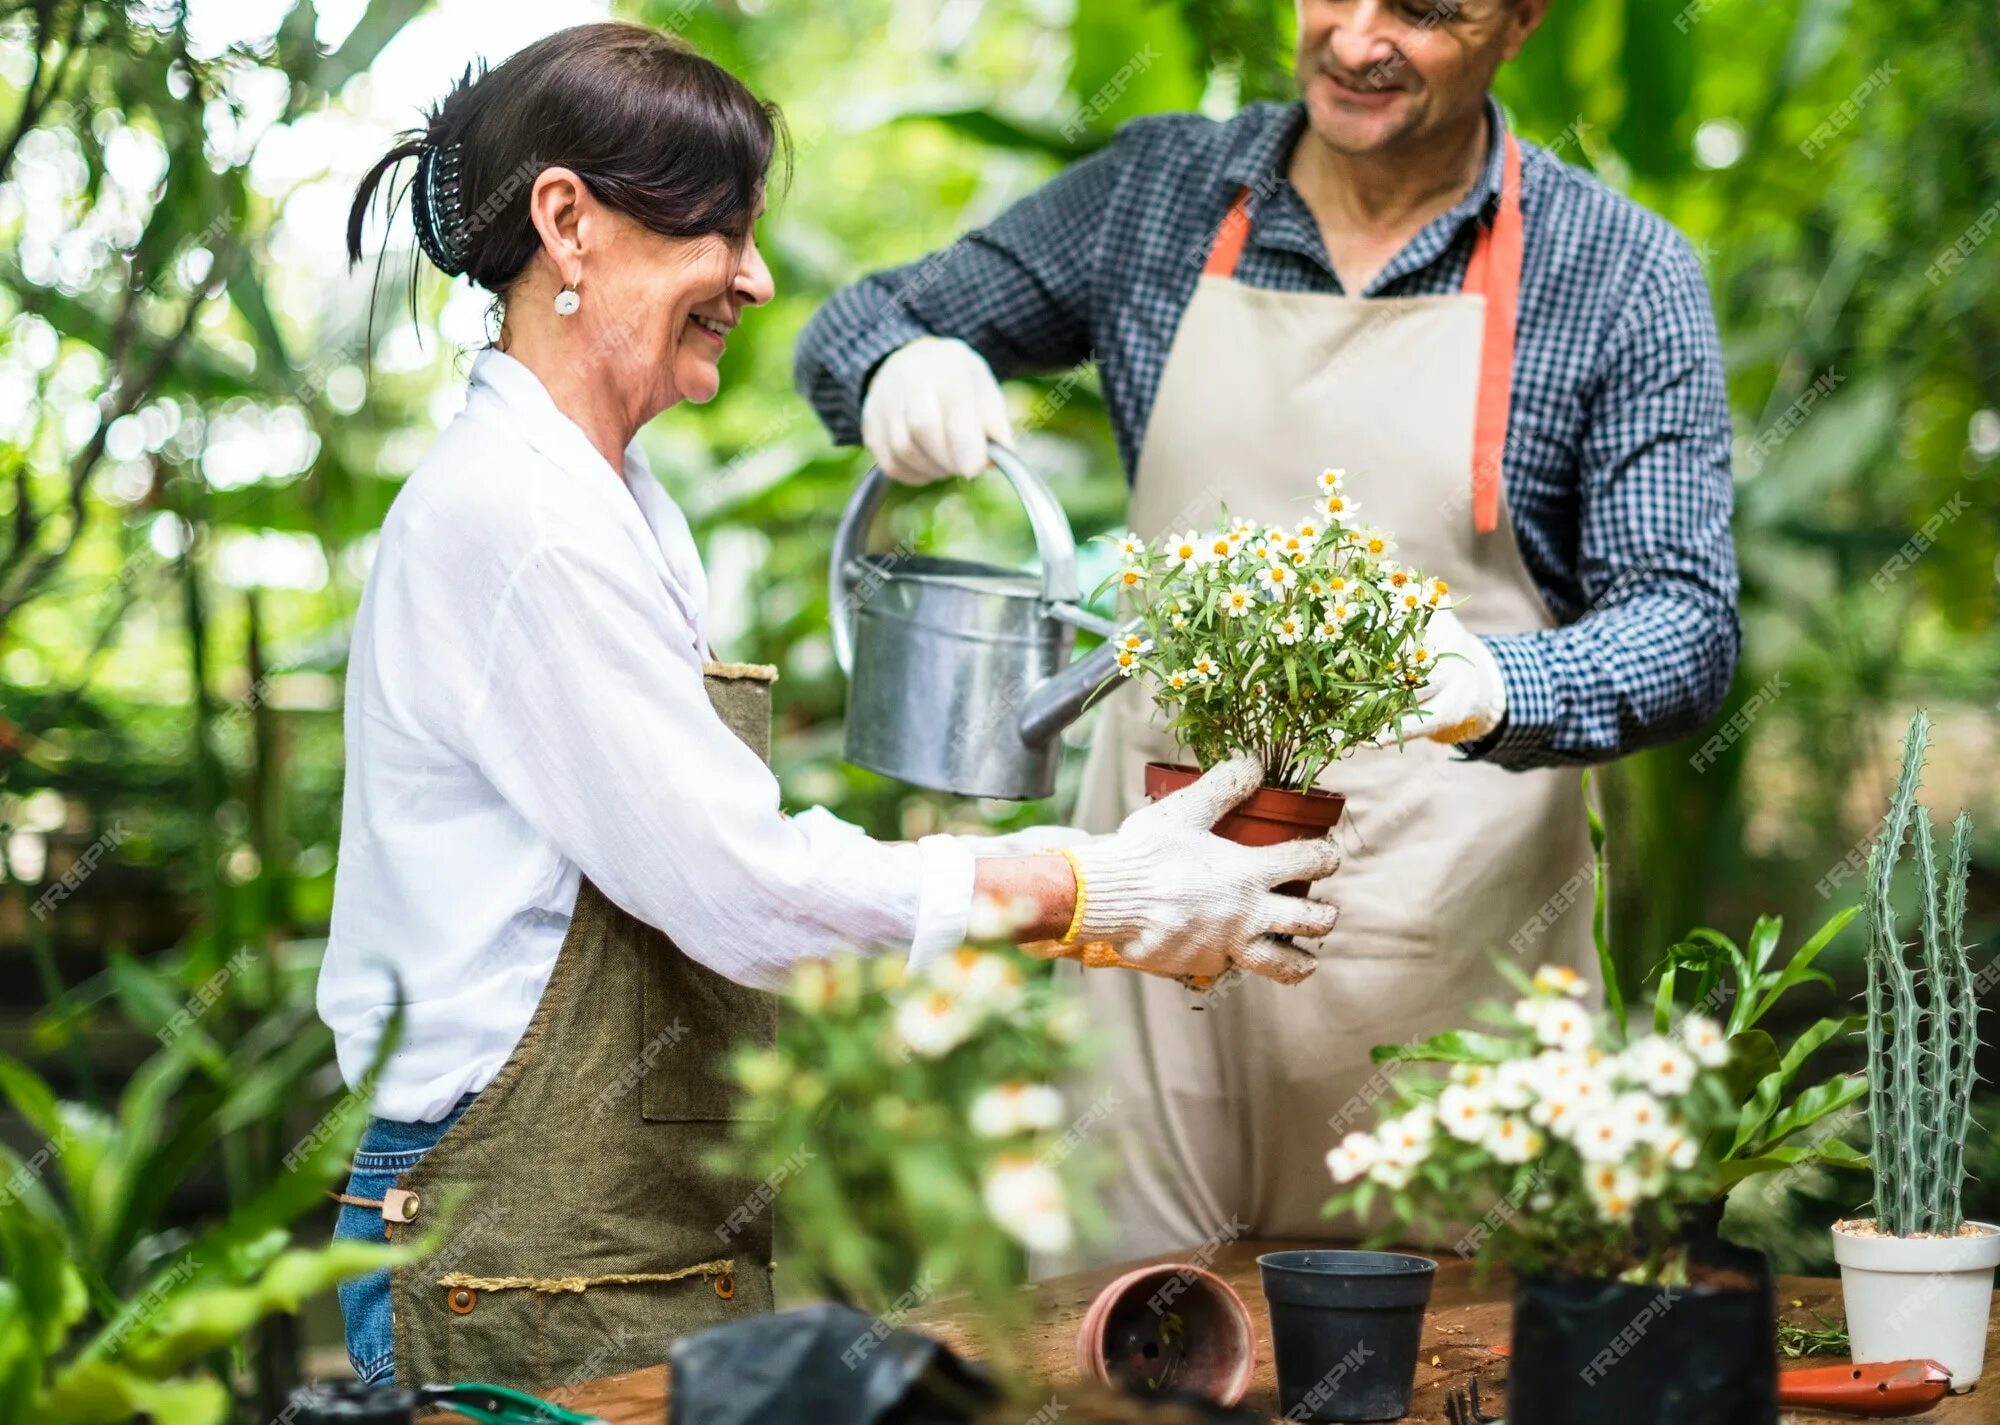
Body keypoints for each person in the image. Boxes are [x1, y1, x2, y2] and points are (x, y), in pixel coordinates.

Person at [320, 21, 1340, 1393]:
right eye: (716, 232)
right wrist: (1089, 890)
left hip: (612, 1224)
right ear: (566, 220)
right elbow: (748, 890)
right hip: (512, 1238)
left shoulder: (612, 503)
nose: (750, 277)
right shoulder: (518, 523)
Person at [796, 0, 1739, 1263]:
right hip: (1152, 943)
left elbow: (1682, 624)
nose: (1355, 40)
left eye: (1423, 10)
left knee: (1437, 1368)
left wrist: (1487, 685)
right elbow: (855, 319)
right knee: (1117, 1360)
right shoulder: (1161, 197)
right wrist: (892, 368)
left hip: (1444, 973)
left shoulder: (1615, 273)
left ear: (1518, 22)